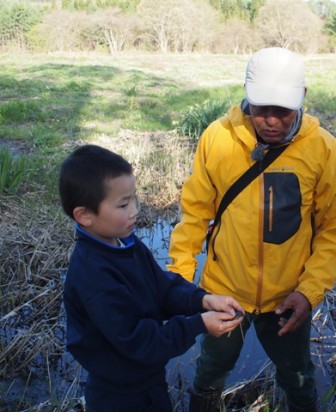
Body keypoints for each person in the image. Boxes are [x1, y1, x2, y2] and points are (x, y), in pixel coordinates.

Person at [168, 47, 336, 411]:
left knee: (297, 376)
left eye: (282, 110)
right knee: (210, 370)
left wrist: (309, 292)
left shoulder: (323, 150)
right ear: (247, 96)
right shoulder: (217, 138)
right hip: (224, 292)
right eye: (260, 108)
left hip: (289, 298)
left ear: (302, 97)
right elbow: (194, 214)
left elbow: (333, 231)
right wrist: (178, 279)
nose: (270, 120)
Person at [59, 144, 244, 412]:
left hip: (149, 381)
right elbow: (138, 340)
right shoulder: (92, 275)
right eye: (123, 204)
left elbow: (163, 288)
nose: (134, 210)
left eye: (134, 198)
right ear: (84, 215)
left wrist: (204, 300)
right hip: (119, 394)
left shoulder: (126, 245)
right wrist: (198, 325)